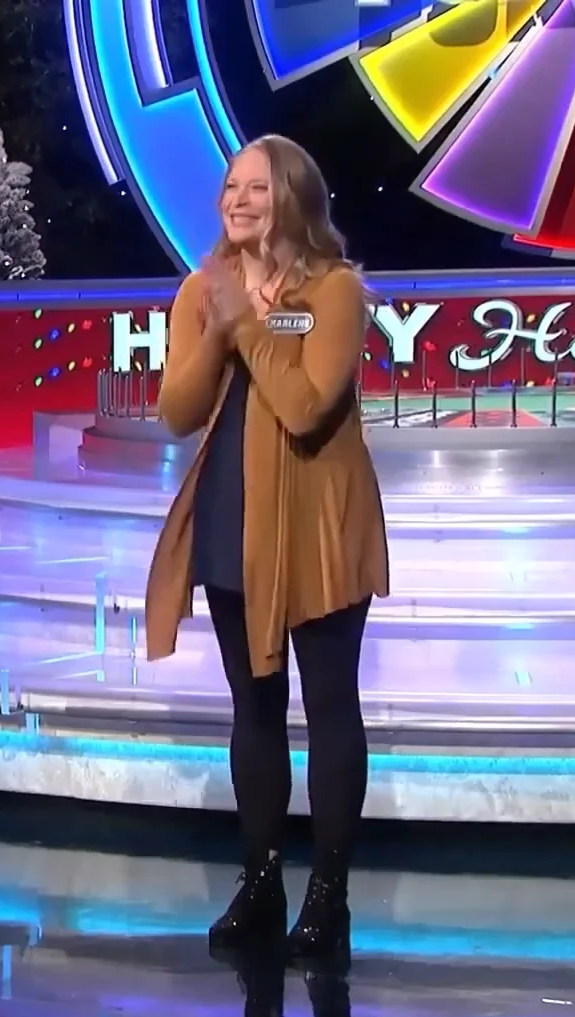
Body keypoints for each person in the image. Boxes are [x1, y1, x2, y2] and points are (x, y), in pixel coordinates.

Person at [141, 134, 388, 963]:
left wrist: (246, 322)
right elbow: (177, 411)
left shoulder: (333, 291)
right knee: (253, 707)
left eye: (256, 187)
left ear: (293, 197)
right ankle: (261, 882)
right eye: (230, 187)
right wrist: (217, 328)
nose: (237, 201)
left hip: (320, 518)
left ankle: (329, 898)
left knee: (329, 704)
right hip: (232, 512)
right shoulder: (201, 288)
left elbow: (308, 405)